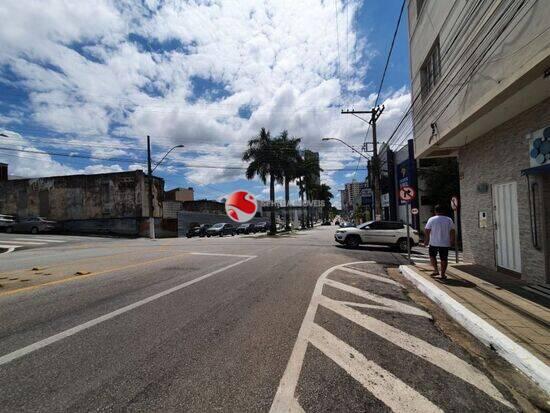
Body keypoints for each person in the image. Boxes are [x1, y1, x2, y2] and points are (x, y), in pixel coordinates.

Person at [424, 204, 455, 279]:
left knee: (432, 256)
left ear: (435, 211)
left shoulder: (431, 219)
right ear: (444, 211)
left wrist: (427, 239)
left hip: (433, 242)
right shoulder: (448, 219)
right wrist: (452, 240)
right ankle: (443, 274)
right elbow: (452, 231)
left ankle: (436, 270)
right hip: (445, 243)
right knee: (444, 258)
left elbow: (427, 230)